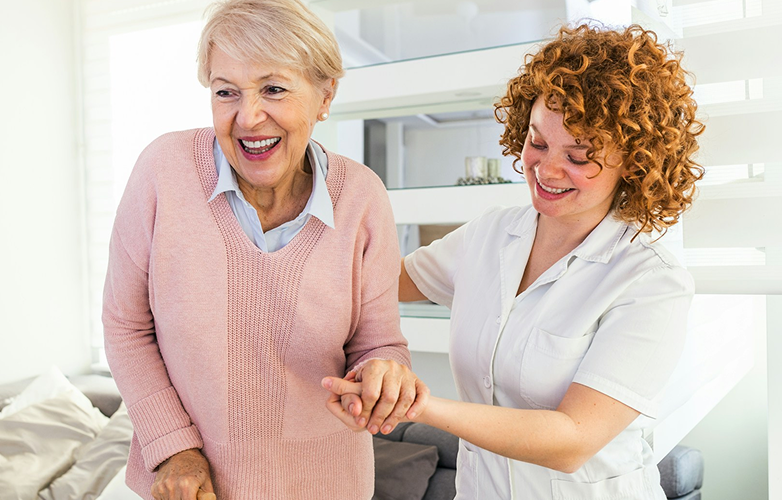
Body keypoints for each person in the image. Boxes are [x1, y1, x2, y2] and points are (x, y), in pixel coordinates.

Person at [324, 23, 704, 499]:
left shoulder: (650, 281)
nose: (546, 170)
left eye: (580, 156)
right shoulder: (491, 234)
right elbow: (379, 282)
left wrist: (413, 404)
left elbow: (573, 439)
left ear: (633, 160)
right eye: (538, 143)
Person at [102, 0, 428, 499]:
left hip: (327, 486)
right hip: (187, 486)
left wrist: (383, 372)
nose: (248, 117)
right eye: (226, 92)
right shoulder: (163, 171)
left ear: (325, 95)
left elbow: (377, 342)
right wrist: (175, 450)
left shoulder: (362, 196)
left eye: (273, 89)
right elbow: (126, 327)